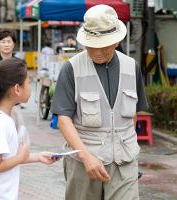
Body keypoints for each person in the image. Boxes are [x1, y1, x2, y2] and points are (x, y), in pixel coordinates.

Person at [51, 5, 148, 200]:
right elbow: (63, 119)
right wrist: (86, 157)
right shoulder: (71, 69)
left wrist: (128, 145)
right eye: (91, 44)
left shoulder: (132, 66)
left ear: (117, 41)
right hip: (83, 162)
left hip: (124, 162)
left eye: (103, 45)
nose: (96, 51)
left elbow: (134, 115)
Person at [0, 58, 58, 200]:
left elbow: (6, 159)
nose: (30, 86)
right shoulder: (1, 123)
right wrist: (20, 158)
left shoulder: (0, 117)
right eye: (28, 82)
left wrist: (38, 157)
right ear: (17, 89)